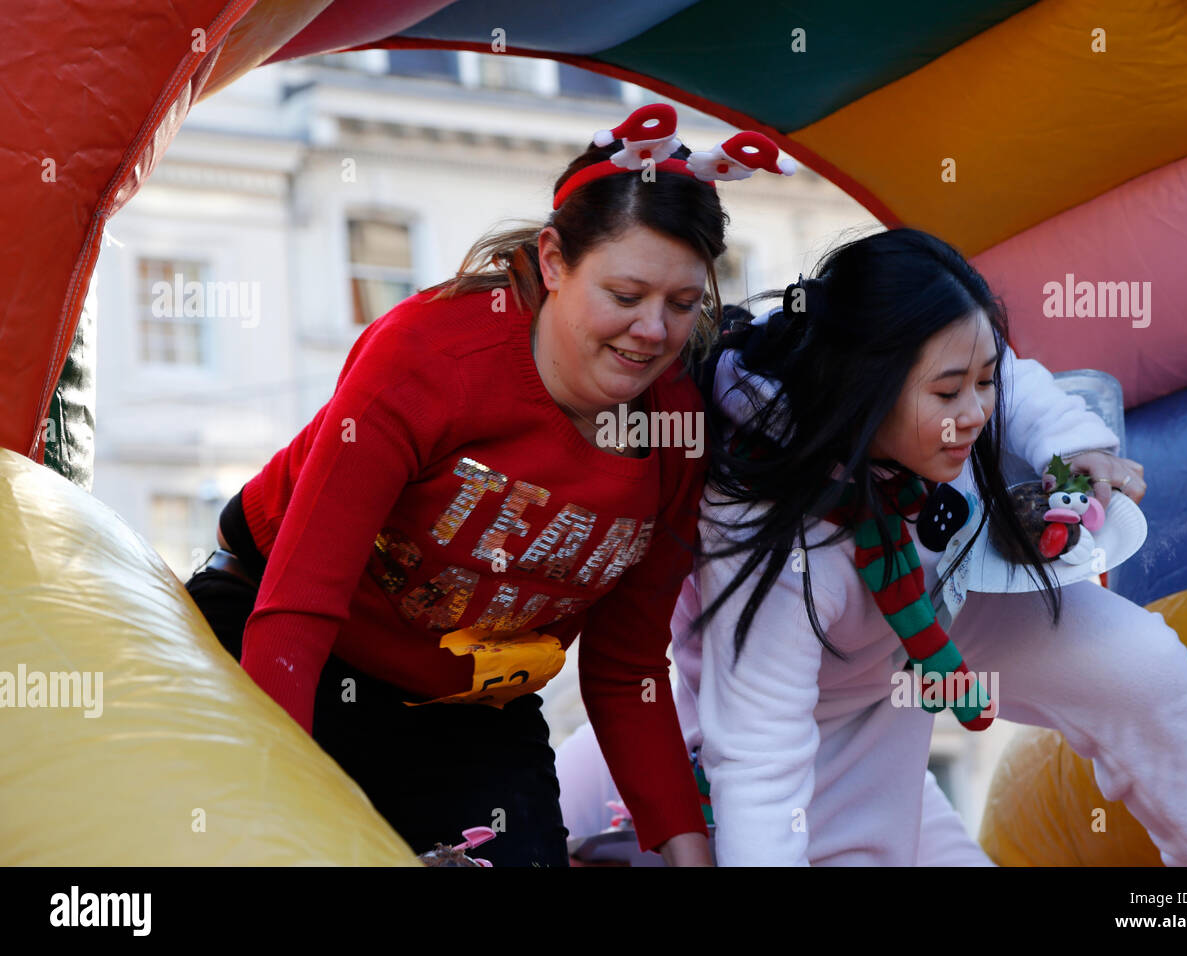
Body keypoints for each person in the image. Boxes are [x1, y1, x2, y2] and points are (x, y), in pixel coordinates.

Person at [183, 103, 792, 867]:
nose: (654, 333)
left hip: (469, 702)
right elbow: (299, 609)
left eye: (681, 305)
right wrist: (270, 813)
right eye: (627, 296)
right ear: (554, 261)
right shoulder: (427, 356)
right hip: (286, 645)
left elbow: (626, 667)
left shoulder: (677, 428)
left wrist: (689, 853)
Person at [666, 227, 1187, 866]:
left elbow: (1009, 376)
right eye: (946, 392)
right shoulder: (761, 537)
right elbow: (759, 760)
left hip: (951, 598)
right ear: (863, 383)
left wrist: (1072, 443)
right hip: (826, 710)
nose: (974, 413)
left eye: (981, 382)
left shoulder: (949, 375)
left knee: (1143, 665)